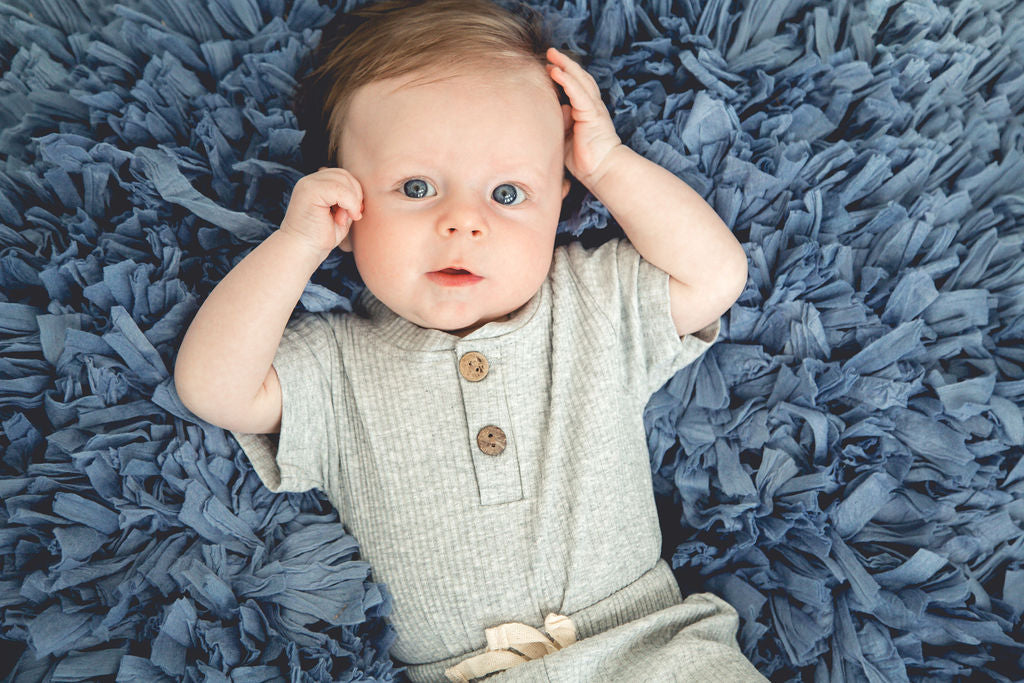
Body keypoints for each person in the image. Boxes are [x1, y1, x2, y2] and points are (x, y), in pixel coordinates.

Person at [173, 0, 765, 680]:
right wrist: (294, 245)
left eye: (508, 193)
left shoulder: (591, 304)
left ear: (561, 202)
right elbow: (213, 387)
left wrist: (610, 164)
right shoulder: (336, 364)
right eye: (417, 187)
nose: (462, 222)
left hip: (655, 649)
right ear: (346, 202)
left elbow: (715, 274)